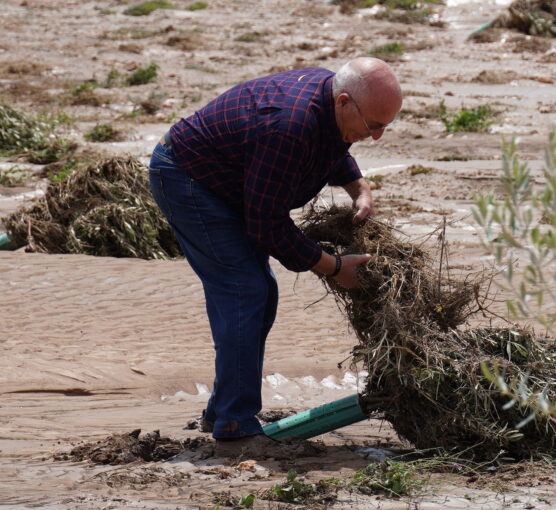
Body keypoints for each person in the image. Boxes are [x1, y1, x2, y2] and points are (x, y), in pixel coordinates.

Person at [148, 56, 403, 457]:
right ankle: (234, 430)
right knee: (244, 290)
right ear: (343, 101)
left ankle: (224, 412)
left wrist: (359, 187)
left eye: (386, 125)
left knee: (258, 292)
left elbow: (333, 146)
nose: (377, 137)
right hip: (189, 178)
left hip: (229, 179)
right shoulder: (287, 126)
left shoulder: (331, 102)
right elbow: (266, 224)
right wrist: (334, 268)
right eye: (373, 125)